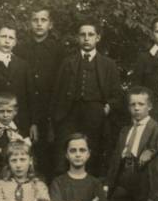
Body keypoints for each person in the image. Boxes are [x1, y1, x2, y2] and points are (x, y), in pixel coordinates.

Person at [51, 21, 123, 175]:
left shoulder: (108, 64)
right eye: (83, 35)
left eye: (90, 35)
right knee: (65, 152)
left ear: (97, 38)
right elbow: (57, 92)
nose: (86, 38)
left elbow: (117, 94)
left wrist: (108, 107)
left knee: (93, 152)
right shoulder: (68, 62)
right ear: (78, 38)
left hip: (95, 114)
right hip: (70, 113)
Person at [105, 86, 158, 201]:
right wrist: (109, 183)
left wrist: (151, 150)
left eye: (141, 104)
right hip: (123, 176)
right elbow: (115, 159)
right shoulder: (125, 130)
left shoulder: (156, 128)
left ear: (149, 106)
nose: (136, 108)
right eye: (132, 104)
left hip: (142, 178)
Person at [14, 8, 65, 177]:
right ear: (30, 23)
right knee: (24, 152)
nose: (39, 24)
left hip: (49, 110)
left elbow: (60, 85)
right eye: (35, 19)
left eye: (43, 20)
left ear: (50, 25)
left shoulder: (59, 50)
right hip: (24, 109)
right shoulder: (20, 49)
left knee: (48, 155)